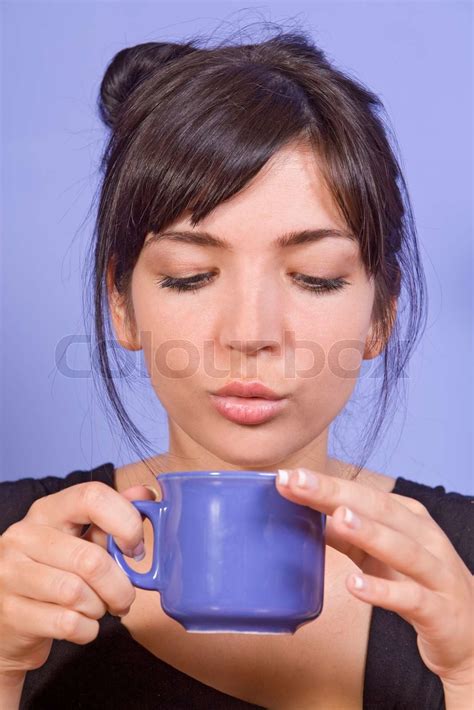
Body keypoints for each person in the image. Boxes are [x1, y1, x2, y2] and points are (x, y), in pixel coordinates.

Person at [0, 27, 472, 710]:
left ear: (381, 313)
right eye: (191, 277)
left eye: (314, 278)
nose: (250, 334)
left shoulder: (465, 571)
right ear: (122, 306)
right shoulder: (15, 551)